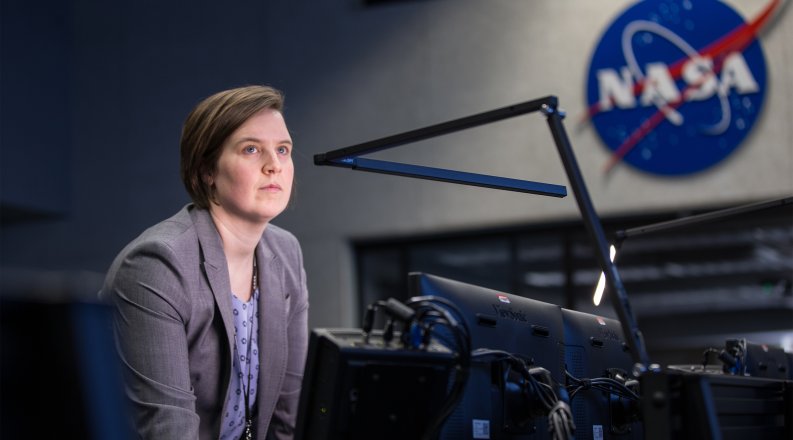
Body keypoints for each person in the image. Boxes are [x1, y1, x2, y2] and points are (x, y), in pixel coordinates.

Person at [100, 85, 309, 440]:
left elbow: (289, 415)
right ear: (207, 170)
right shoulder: (157, 264)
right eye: (251, 149)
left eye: (283, 150)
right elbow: (168, 428)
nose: (274, 165)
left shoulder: (286, 253)